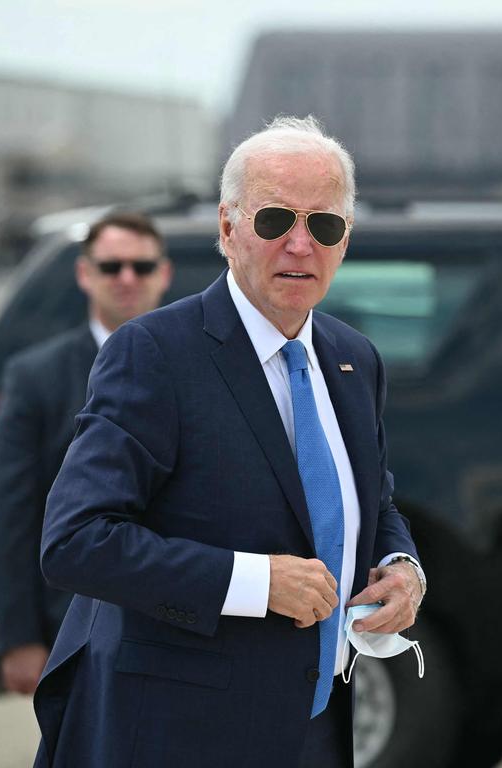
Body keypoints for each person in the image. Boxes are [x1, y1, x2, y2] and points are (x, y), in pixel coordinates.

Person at [33, 115, 425, 768]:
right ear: (227, 229)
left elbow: (373, 502)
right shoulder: (155, 354)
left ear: (345, 240)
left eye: (322, 225)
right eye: (275, 220)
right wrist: (253, 582)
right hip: (179, 731)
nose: (300, 245)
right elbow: (75, 542)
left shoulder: (355, 360)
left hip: (316, 725)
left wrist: (402, 567)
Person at [0, 211, 173, 695]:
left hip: (183, 625)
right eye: (111, 267)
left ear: (164, 274)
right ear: (85, 274)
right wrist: (18, 638)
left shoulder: (206, 369)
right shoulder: (34, 377)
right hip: (75, 627)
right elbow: (10, 515)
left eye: (142, 266)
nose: (127, 278)